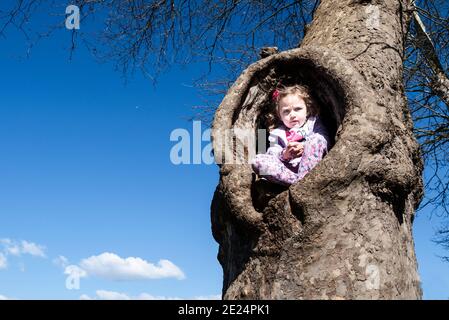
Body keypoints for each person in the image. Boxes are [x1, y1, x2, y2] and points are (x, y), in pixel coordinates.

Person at [251, 84, 330, 186]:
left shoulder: (313, 123)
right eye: (286, 111)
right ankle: (298, 182)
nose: (292, 115)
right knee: (258, 161)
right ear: (280, 116)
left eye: (298, 109)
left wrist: (305, 146)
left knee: (317, 138)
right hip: (288, 172)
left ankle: (304, 180)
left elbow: (325, 140)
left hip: (311, 166)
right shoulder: (277, 133)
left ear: (307, 110)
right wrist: (285, 154)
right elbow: (272, 153)